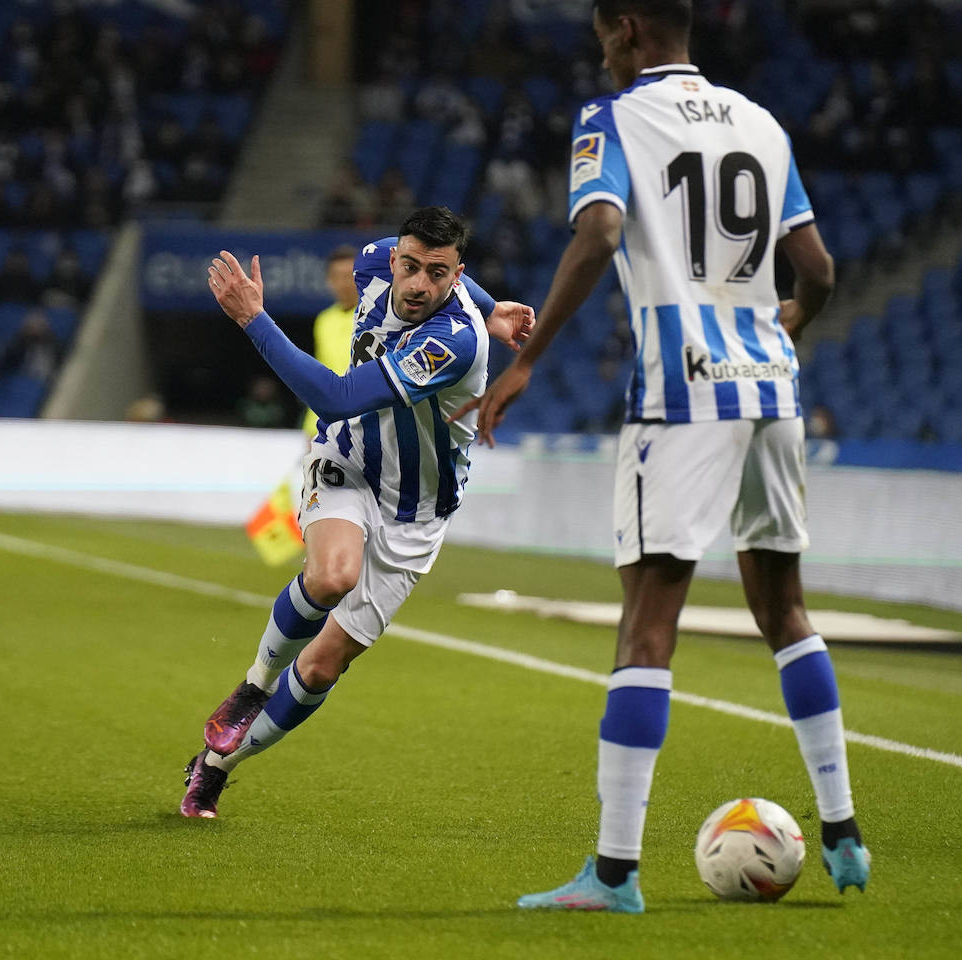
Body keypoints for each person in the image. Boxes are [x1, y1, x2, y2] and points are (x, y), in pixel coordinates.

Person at [455, 0, 868, 912]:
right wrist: (784, 325)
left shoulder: (613, 119)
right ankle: (841, 830)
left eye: (604, 34)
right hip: (772, 389)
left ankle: (613, 872)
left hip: (684, 394)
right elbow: (822, 272)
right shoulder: (761, 123)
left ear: (630, 29)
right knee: (784, 607)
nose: (601, 53)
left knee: (647, 622)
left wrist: (523, 364)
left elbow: (598, 234)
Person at [181, 206, 534, 818]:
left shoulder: (455, 339)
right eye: (411, 265)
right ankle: (253, 687)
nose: (420, 283)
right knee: (330, 576)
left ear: (456, 276)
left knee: (321, 666)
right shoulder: (374, 261)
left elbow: (337, 395)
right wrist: (496, 302)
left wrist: (253, 320)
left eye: (439, 273)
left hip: (415, 513)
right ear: (394, 257)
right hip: (346, 462)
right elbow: (340, 416)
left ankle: (215, 767)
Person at [300, 246, 359, 436]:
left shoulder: (375, 318)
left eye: (349, 275)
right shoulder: (323, 320)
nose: (344, 283)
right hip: (321, 424)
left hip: (361, 424)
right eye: (337, 276)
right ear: (329, 280)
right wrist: (311, 428)